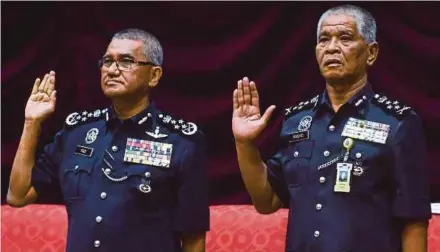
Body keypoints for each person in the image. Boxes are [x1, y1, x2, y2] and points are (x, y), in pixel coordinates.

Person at [232, 4, 431, 252]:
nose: (332, 47)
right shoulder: (297, 121)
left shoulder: (397, 123)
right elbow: (267, 201)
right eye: (323, 40)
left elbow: (413, 220)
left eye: (345, 38)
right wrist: (245, 145)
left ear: (371, 53)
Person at [7, 28, 209, 252]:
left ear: (154, 76)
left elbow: (193, 238)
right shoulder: (77, 132)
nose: (112, 70)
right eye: (107, 61)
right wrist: (31, 123)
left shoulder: (181, 142)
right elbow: (18, 195)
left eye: (126, 61)